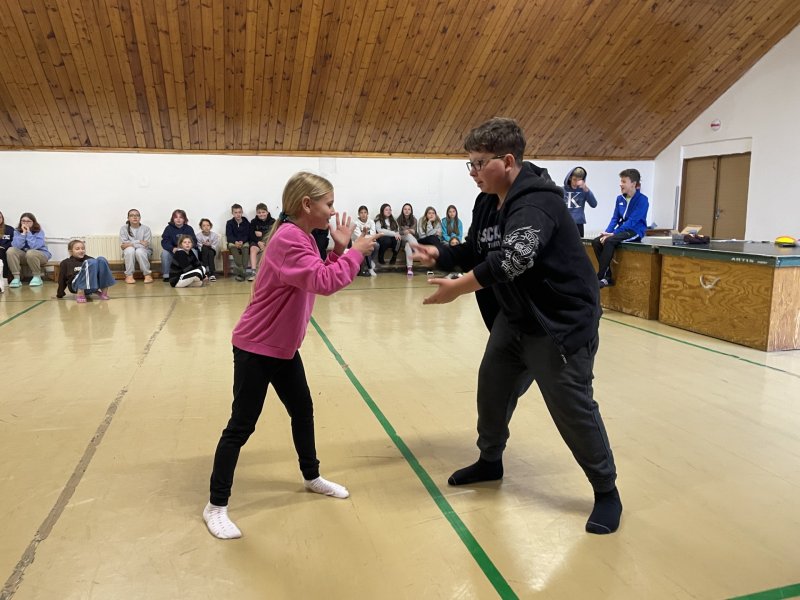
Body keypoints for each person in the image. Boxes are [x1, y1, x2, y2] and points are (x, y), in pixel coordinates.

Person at [414, 117, 621, 535]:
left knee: (572, 409)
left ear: (508, 161)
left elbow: (514, 258)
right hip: (515, 320)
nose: (473, 172)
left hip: (559, 325)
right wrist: (442, 256)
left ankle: (606, 491)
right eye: (469, 163)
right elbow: (479, 248)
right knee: (492, 389)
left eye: (479, 163)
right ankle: (490, 461)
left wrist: (458, 288)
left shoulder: (538, 202)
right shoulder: (487, 201)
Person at [203, 171, 379, 540]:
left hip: (282, 348)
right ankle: (216, 505)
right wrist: (356, 253)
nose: (333, 212)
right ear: (307, 204)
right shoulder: (288, 238)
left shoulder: (302, 237)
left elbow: (318, 274)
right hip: (256, 348)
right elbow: (325, 283)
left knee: (302, 410)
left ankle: (311, 476)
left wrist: (338, 251)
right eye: (328, 204)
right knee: (241, 426)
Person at [591, 169, 649, 288]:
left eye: (623, 181)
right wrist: (607, 232)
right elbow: (615, 218)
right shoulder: (619, 199)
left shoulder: (642, 200)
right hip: (621, 230)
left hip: (634, 231)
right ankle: (607, 277)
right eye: (620, 181)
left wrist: (614, 234)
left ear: (633, 184)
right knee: (596, 241)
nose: (620, 184)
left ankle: (600, 276)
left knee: (610, 241)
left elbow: (632, 221)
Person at [7, 213, 51, 288]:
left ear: (33, 222)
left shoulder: (39, 232)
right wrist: (23, 234)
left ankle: (37, 277)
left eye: (28, 221)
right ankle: (16, 278)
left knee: (31, 252)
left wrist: (29, 233)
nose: (25, 223)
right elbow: (16, 246)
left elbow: (34, 246)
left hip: (41, 256)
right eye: (23, 221)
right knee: (11, 250)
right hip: (26, 256)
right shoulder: (17, 231)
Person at [161, 210, 197, 283]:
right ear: (173, 219)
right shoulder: (168, 228)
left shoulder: (189, 228)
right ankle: (166, 275)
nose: (178, 219)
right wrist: (172, 248)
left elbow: (194, 241)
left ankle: (194, 273)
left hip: (186, 250)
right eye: (176, 217)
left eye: (181, 217)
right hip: (173, 250)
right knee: (165, 253)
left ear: (184, 219)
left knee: (194, 251)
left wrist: (185, 248)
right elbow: (165, 241)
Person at [119, 208, 153, 284]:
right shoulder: (123, 229)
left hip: (144, 251)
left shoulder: (146, 229)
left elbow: (145, 245)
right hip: (129, 252)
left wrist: (130, 244)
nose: (135, 217)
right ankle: (129, 275)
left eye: (137, 215)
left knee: (139, 251)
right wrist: (139, 241)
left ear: (140, 218)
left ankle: (147, 274)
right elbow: (124, 245)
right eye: (132, 215)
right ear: (128, 218)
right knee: (130, 250)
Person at [563, 166, 598, 237]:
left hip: (578, 224)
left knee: (578, 243)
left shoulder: (584, 191)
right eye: (574, 179)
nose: (576, 183)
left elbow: (594, 204)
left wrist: (586, 189)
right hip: (564, 223)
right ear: (570, 178)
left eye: (579, 180)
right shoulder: (562, 190)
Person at [247, 203, 276, 281]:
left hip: (268, 242)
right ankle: (253, 273)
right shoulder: (253, 222)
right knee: (253, 249)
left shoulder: (273, 221)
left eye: (263, 212)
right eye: (259, 212)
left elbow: (274, 234)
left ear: (267, 212)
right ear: (256, 213)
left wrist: (262, 234)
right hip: (256, 242)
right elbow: (251, 235)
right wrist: (258, 242)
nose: (261, 214)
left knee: (268, 250)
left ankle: (266, 273)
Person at [225, 204, 250, 282]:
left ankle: (241, 272)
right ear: (232, 213)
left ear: (242, 212)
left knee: (246, 248)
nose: (238, 214)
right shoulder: (229, 223)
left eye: (239, 212)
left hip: (244, 241)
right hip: (233, 242)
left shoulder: (246, 222)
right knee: (233, 247)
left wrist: (242, 241)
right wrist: (235, 242)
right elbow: (229, 235)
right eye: (235, 212)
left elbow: (248, 234)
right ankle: (243, 271)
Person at [353, 205, 378, 276]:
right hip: (359, 243)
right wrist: (368, 236)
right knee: (367, 246)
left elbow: (373, 234)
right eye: (361, 213)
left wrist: (367, 236)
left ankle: (371, 260)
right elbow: (359, 236)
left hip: (370, 241)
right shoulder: (356, 223)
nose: (363, 214)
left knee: (377, 245)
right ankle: (370, 268)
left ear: (367, 213)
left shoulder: (371, 222)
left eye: (365, 212)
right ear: (358, 214)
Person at [397, 203, 418, 276]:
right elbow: (398, 232)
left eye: (409, 209)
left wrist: (408, 231)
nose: (407, 211)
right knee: (408, 235)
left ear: (411, 211)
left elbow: (414, 232)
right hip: (402, 238)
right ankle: (418, 251)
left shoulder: (414, 219)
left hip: (411, 240)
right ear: (402, 210)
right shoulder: (398, 219)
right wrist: (405, 231)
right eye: (405, 209)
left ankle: (409, 268)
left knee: (408, 246)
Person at [0, 210, 14, 286]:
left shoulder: (9, 229)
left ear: (2, 218)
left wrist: (4, 246)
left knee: (2, 252)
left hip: (5, 250)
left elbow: (14, 241)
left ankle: (4, 278)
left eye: (0, 217)